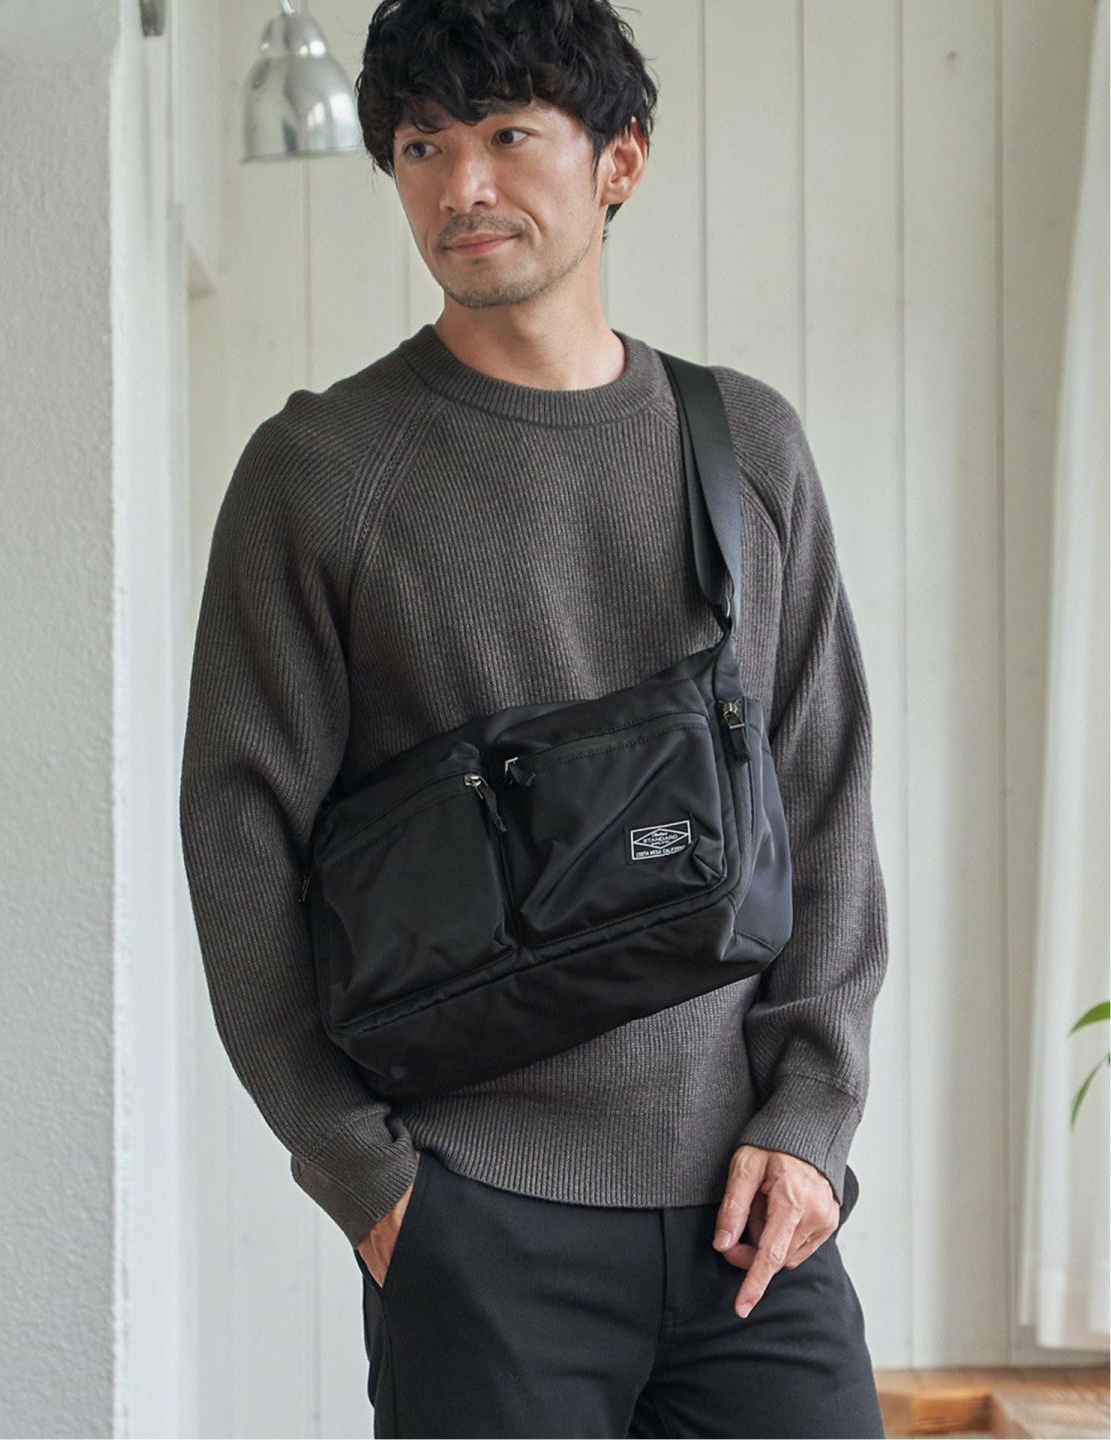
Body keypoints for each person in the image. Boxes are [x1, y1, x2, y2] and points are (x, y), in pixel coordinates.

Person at [178, 1, 890, 1435]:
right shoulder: (320, 471)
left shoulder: (744, 447)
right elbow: (240, 833)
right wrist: (370, 1181)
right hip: (476, 1218)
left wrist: (812, 1127)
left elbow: (822, 795)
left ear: (619, 159)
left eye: (509, 135)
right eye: (422, 147)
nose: (463, 187)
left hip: (751, 1223)